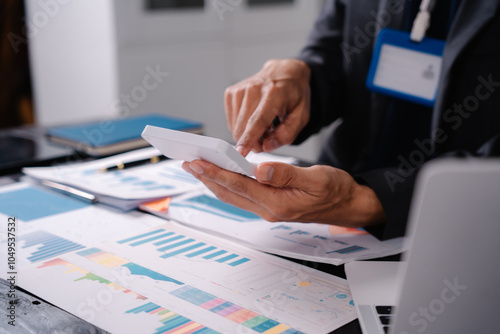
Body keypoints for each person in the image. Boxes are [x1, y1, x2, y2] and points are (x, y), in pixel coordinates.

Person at [183, 0, 500, 240]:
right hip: (338, 201)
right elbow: (335, 50)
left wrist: (367, 200)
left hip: (466, 225)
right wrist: (302, 78)